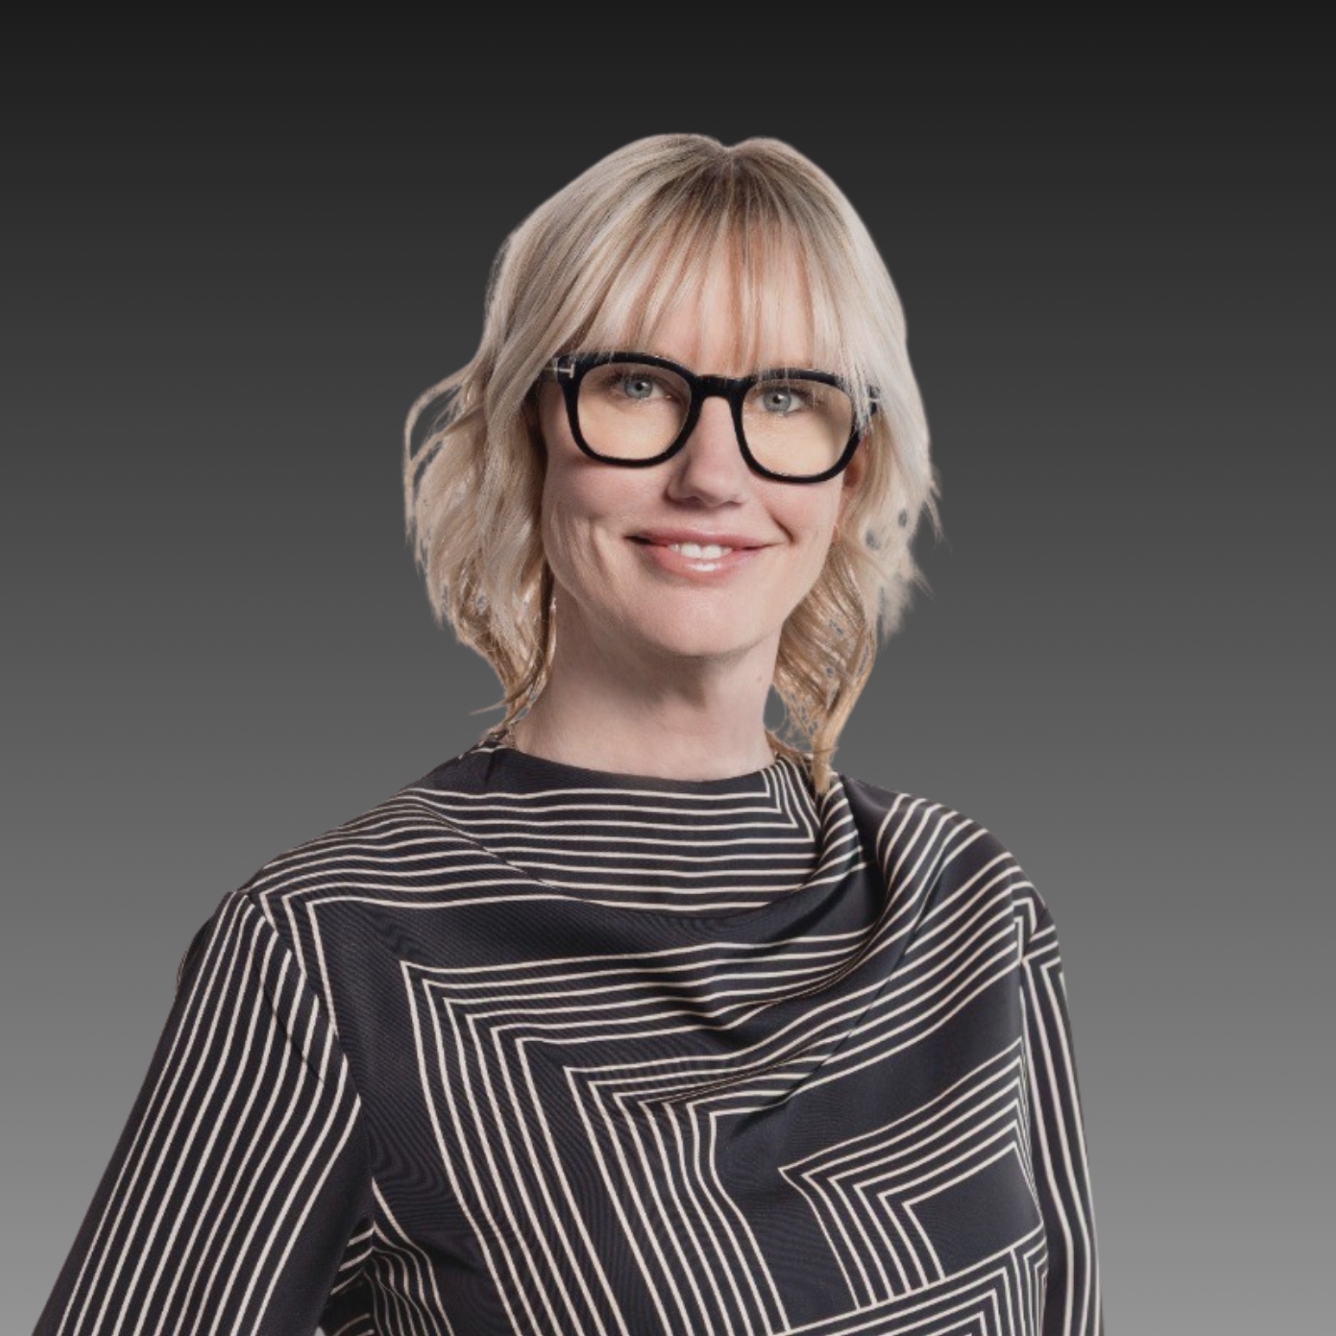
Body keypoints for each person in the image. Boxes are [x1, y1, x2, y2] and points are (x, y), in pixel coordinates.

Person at [35, 134, 1103, 1335]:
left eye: (785, 398)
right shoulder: (332, 950)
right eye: (638, 386)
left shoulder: (969, 906)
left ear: (851, 468)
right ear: (531, 425)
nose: (712, 473)